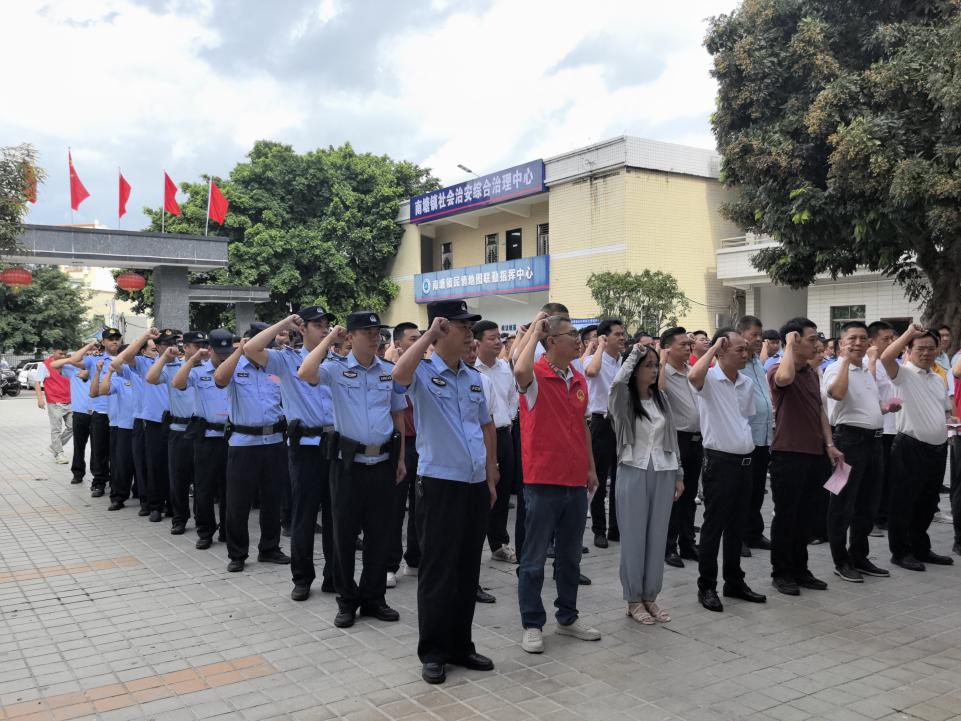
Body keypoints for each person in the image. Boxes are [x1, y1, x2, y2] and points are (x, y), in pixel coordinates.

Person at [392, 300, 498, 686]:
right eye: (463, 326)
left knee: (467, 569)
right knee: (438, 571)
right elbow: (398, 375)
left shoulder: (472, 377)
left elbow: (484, 425)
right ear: (441, 328)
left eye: (471, 327)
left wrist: (490, 475)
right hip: (439, 484)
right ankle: (434, 651)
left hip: (473, 484)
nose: (470, 333)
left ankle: (461, 645)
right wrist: (427, 338)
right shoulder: (422, 371)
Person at [298, 311, 407, 627]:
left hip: (382, 463)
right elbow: (305, 371)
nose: (375, 337)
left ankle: (374, 598)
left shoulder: (387, 371)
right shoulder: (335, 369)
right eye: (367, 332)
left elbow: (398, 416)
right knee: (344, 536)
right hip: (348, 466)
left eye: (377, 332)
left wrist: (401, 459)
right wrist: (329, 339)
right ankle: (347, 600)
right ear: (350, 336)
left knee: (379, 535)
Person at [512, 312, 600, 653]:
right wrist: (534, 329)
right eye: (571, 335)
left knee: (569, 556)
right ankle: (532, 623)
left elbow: (583, 427)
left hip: (574, 480)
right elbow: (519, 371)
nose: (578, 341)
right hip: (543, 481)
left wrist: (591, 468)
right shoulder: (535, 375)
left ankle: (568, 616)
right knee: (534, 558)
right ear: (551, 341)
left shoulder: (577, 378)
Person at [246, 308, 338, 602]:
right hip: (305, 448)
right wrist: (285, 322)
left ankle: (334, 577)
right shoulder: (286, 360)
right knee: (304, 517)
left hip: (336, 446)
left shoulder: (337, 361)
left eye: (326, 325)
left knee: (336, 517)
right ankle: (302, 578)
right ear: (303, 329)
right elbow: (251, 349)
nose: (324, 329)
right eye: (317, 325)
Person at [689, 329, 766, 611]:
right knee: (714, 526)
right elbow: (693, 376)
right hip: (719, 463)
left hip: (745, 462)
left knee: (737, 526)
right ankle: (707, 586)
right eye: (739, 350)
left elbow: (743, 419)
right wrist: (713, 348)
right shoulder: (709, 378)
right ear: (721, 351)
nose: (746, 354)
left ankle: (734, 581)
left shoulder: (746, 382)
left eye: (747, 349)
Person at [767, 317, 844, 595]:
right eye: (811, 339)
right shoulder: (778, 369)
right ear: (794, 340)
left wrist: (829, 443)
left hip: (815, 453)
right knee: (786, 516)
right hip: (788, 454)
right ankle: (781, 572)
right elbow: (784, 379)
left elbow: (820, 410)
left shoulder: (812, 373)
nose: (817, 344)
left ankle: (801, 569)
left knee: (807, 516)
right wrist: (788, 345)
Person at [608, 342, 682, 623]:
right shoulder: (623, 401)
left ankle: (650, 595)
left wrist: (679, 474)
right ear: (635, 369)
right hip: (633, 470)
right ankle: (633, 599)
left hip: (663, 471)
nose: (654, 370)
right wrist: (634, 355)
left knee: (657, 537)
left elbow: (672, 437)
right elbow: (617, 384)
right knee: (634, 538)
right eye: (648, 365)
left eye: (656, 365)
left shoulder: (661, 399)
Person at [213, 325, 290, 573]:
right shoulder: (236, 367)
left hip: (274, 441)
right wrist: (240, 351)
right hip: (244, 443)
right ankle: (237, 553)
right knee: (238, 502)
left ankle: (269, 548)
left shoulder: (275, 369)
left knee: (272, 499)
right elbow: (219, 379)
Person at [881, 324, 956, 571]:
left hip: (937, 448)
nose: (926, 353)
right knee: (904, 502)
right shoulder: (903, 374)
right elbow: (886, 357)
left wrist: (951, 420)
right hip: (910, 447)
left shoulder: (937, 378)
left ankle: (921, 548)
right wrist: (908, 334)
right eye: (920, 348)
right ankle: (901, 552)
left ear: (938, 350)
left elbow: (945, 411)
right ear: (909, 350)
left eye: (931, 348)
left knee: (928, 502)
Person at [822, 321, 891, 582]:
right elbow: (837, 395)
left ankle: (859, 556)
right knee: (842, 503)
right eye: (852, 339)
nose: (858, 343)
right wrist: (845, 362)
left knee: (868, 502)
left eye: (863, 338)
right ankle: (841, 561)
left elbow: (867, 404)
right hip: (848, 442)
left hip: (874, 442)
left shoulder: (864, 370)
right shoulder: (834, 368)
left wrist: (884, 408)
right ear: (841, 344)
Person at [173, 329, 233, 550]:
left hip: (231, 437)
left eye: (227, 353)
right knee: (204, 488)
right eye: (219, 353)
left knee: (229, 489)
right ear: (210, 351)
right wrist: (192, 360)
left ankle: (227, 530)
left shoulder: (234, 370)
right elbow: (178, 383)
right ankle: (205, 531)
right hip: (206, 438)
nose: (224, 357)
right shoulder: (198, 372)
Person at [147, 331, 209, 535]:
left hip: (203, 432)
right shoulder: (174, 367)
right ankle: (179, 518)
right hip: (179, 431)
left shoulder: (211, 368)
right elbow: (151, 378)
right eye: (197, 345)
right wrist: (165, 357)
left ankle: (203, 521)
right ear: (186, 347)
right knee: (178, 480)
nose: (202, 349)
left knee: (202, 481)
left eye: (204, 345)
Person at [113, 328, 175, 522]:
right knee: (153, 466)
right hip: (154, 422)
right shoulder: (145, 364)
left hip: (177, 422)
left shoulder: (182, 364)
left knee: (174, 466)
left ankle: (172, 505)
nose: (171, 347)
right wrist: (145, 337)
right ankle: (154, 505)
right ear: (158, 347)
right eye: (166, 344)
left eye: (173, 343)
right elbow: (123, 359)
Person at [473, 320, 519, 565]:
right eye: (491, 338)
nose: (498, 342)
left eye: (498, 337)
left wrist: (508, 420)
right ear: (477, 342)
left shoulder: (504, 368)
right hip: (480, 438)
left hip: (504, 435)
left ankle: (499, 543)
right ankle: (474, 543)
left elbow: (513, 398)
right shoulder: (471, 370)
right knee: (482, 492)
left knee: (502, 492)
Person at [61, 329, 123, 497]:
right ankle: (99, 482)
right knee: (99, 450)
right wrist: (90, 345)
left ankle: (117, 482)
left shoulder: (125, 359)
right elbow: (74, 360)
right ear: (103, 342)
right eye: (110, 339)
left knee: (118, 451)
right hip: (101, 411)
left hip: (121, 412)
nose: (114, 341)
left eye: (117, 338)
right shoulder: (95, 359)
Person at [658, 327, 701, 568]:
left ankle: (688, 542)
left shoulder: (692, 371)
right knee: (674, 495)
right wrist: (661, 361)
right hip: (676, 440)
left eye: (689, 344)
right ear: (668, 348)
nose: (688, 347)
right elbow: (659, 392)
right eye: (682, 344)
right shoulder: (663, 373)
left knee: (690, 494)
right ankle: (668, 545)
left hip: (697, 440)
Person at [585, 318, 626, 548]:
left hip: (621, 424)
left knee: (621, 479)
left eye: (622, 334)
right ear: (604, 337)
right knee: (599, 479)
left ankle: (615, 528)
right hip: (601, 423)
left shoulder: (624, 362)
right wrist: (599, 346)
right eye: (617, 334)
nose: (622, 338)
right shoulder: (593, 360)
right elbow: (591, 372)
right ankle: (599, 529)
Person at [387, 322, 423, 582]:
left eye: (420, 338)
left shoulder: (426, 370)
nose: (418, 342)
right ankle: (390, 564)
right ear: (397, 344)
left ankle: (415, 559)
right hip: (400, 443)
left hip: (423, 444)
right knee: (395, 507)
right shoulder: (388, 371)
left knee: (421, 506)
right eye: (413, 339)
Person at [737, 316, 773, 555]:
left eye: (761, 335)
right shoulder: (737, 363)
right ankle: (737, 536)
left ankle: (754, 533)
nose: (759, 339)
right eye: (754, 335)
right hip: (745, 437)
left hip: (763, 436)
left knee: (758, 488)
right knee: (742, 490)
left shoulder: (757, 363)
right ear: (741, 336)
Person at [90, 357, 136, 510]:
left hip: (140, 424)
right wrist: (105, 372)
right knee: (119, 464)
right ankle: (118, 496)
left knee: (140, 463)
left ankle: (141, 493)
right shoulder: (115, 377)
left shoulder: (142, 374)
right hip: (119, 424)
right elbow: (96, 392)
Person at [866, 321, 898, 534]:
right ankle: (872, 518)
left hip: (894, 427)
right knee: (875, 476)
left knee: (889, 475)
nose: (891, 342)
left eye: (892, 338)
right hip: (877, 428)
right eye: (886, 339)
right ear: (872, 341)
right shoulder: (868, 364)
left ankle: (883, 515)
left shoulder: (893, 364)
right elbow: (869, 392)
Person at [51, 341, 97, 484]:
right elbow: (54, 364)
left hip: (98, 413)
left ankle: (99, 476)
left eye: (93, 352)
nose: (89, 355)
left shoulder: (100, 368)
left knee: (98, 448)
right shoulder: (72, 368)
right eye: (86, 353)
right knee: (79, 446)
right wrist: (73, 359)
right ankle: (78, 473)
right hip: (79, 413)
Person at [34, 340, 73, 464]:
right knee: (56, 429)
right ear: (53, 351)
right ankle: (59, 454)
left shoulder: (67, 364)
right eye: (60, 353)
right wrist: (40, 399)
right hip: (54, 402)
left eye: (65, 354)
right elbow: (37, 382)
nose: (63, 356)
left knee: (73, 427)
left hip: (70, 401)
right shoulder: (44, 365)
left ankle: (55, 446)